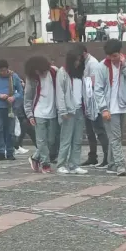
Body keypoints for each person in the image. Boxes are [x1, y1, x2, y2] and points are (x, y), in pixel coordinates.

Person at [96, 39, 126, 176]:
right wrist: (103, 108)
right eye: (109, 56)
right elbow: (98, 89)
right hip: (109, 108)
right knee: (115, 137)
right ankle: (120, 165)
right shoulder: (101, 66)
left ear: (120, 53)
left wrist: (125, 67)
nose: (112, 59)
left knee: (116, 137)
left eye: (115, 56)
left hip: (122, 105)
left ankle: (112, 164)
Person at [56, 45, 94, 174]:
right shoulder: (63, 72)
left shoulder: (80, 74)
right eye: (76, 60)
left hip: (79, 110)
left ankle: (74, 164)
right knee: (66, 139)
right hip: (68, 110)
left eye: (80, 60)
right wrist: (62, 111)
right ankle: (61, 163)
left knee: (78, 139)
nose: (78, 63)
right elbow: (60, 93)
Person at [24, 56, 59, 173]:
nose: (39, 73)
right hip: (38, 111)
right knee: (41, 140)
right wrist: (29, 114)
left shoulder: (54, 72)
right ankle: (45, 164)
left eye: (41, 71)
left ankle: (34, 157)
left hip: (53, 111)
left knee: (51, 140)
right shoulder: (32, 78)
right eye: (36, 72)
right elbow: (28, 97)